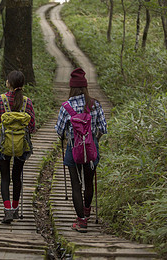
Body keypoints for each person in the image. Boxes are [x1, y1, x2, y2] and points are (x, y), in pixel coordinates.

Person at [55, 67, 107, 232]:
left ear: (71, 87)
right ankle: (86, 210)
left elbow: (59, 131)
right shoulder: (95, 104)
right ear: (85, 87)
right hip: (91, 149)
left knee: (76, 185)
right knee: (89, 182)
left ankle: (81, 221)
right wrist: (94, 140)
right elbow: (103, 128)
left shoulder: (66, 106)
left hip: (73, 149)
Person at [0, 70, 36, 224]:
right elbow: (32, 126)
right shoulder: (27, 102)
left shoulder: (0, 99)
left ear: (8, 83)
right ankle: (15, 209)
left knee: (5, 177)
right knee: (17, 176)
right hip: (21, 144)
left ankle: (7, 210)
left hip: (3, 144)